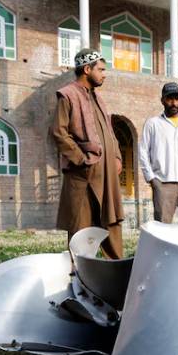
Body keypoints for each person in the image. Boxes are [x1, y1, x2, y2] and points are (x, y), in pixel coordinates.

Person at [52, 48, 124, 258]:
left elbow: (109, 132)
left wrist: (117, 156)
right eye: (100, 69)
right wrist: (81, 159)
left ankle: (116, 273)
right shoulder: (67, 95)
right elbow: (59, 132)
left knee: (111, 222)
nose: (104, 74)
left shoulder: (98, 99)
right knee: (81, 228)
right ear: (86, 69)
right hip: (82, 175)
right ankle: (81, 278)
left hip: (107, 175)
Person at [137, 82, 178, 224]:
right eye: (169, 99)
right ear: (162, 100)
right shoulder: (153, 124)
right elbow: (143, 151)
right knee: (163, 228)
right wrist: (151, 178)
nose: (173, 103)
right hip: (163, 183)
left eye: (177, 99)